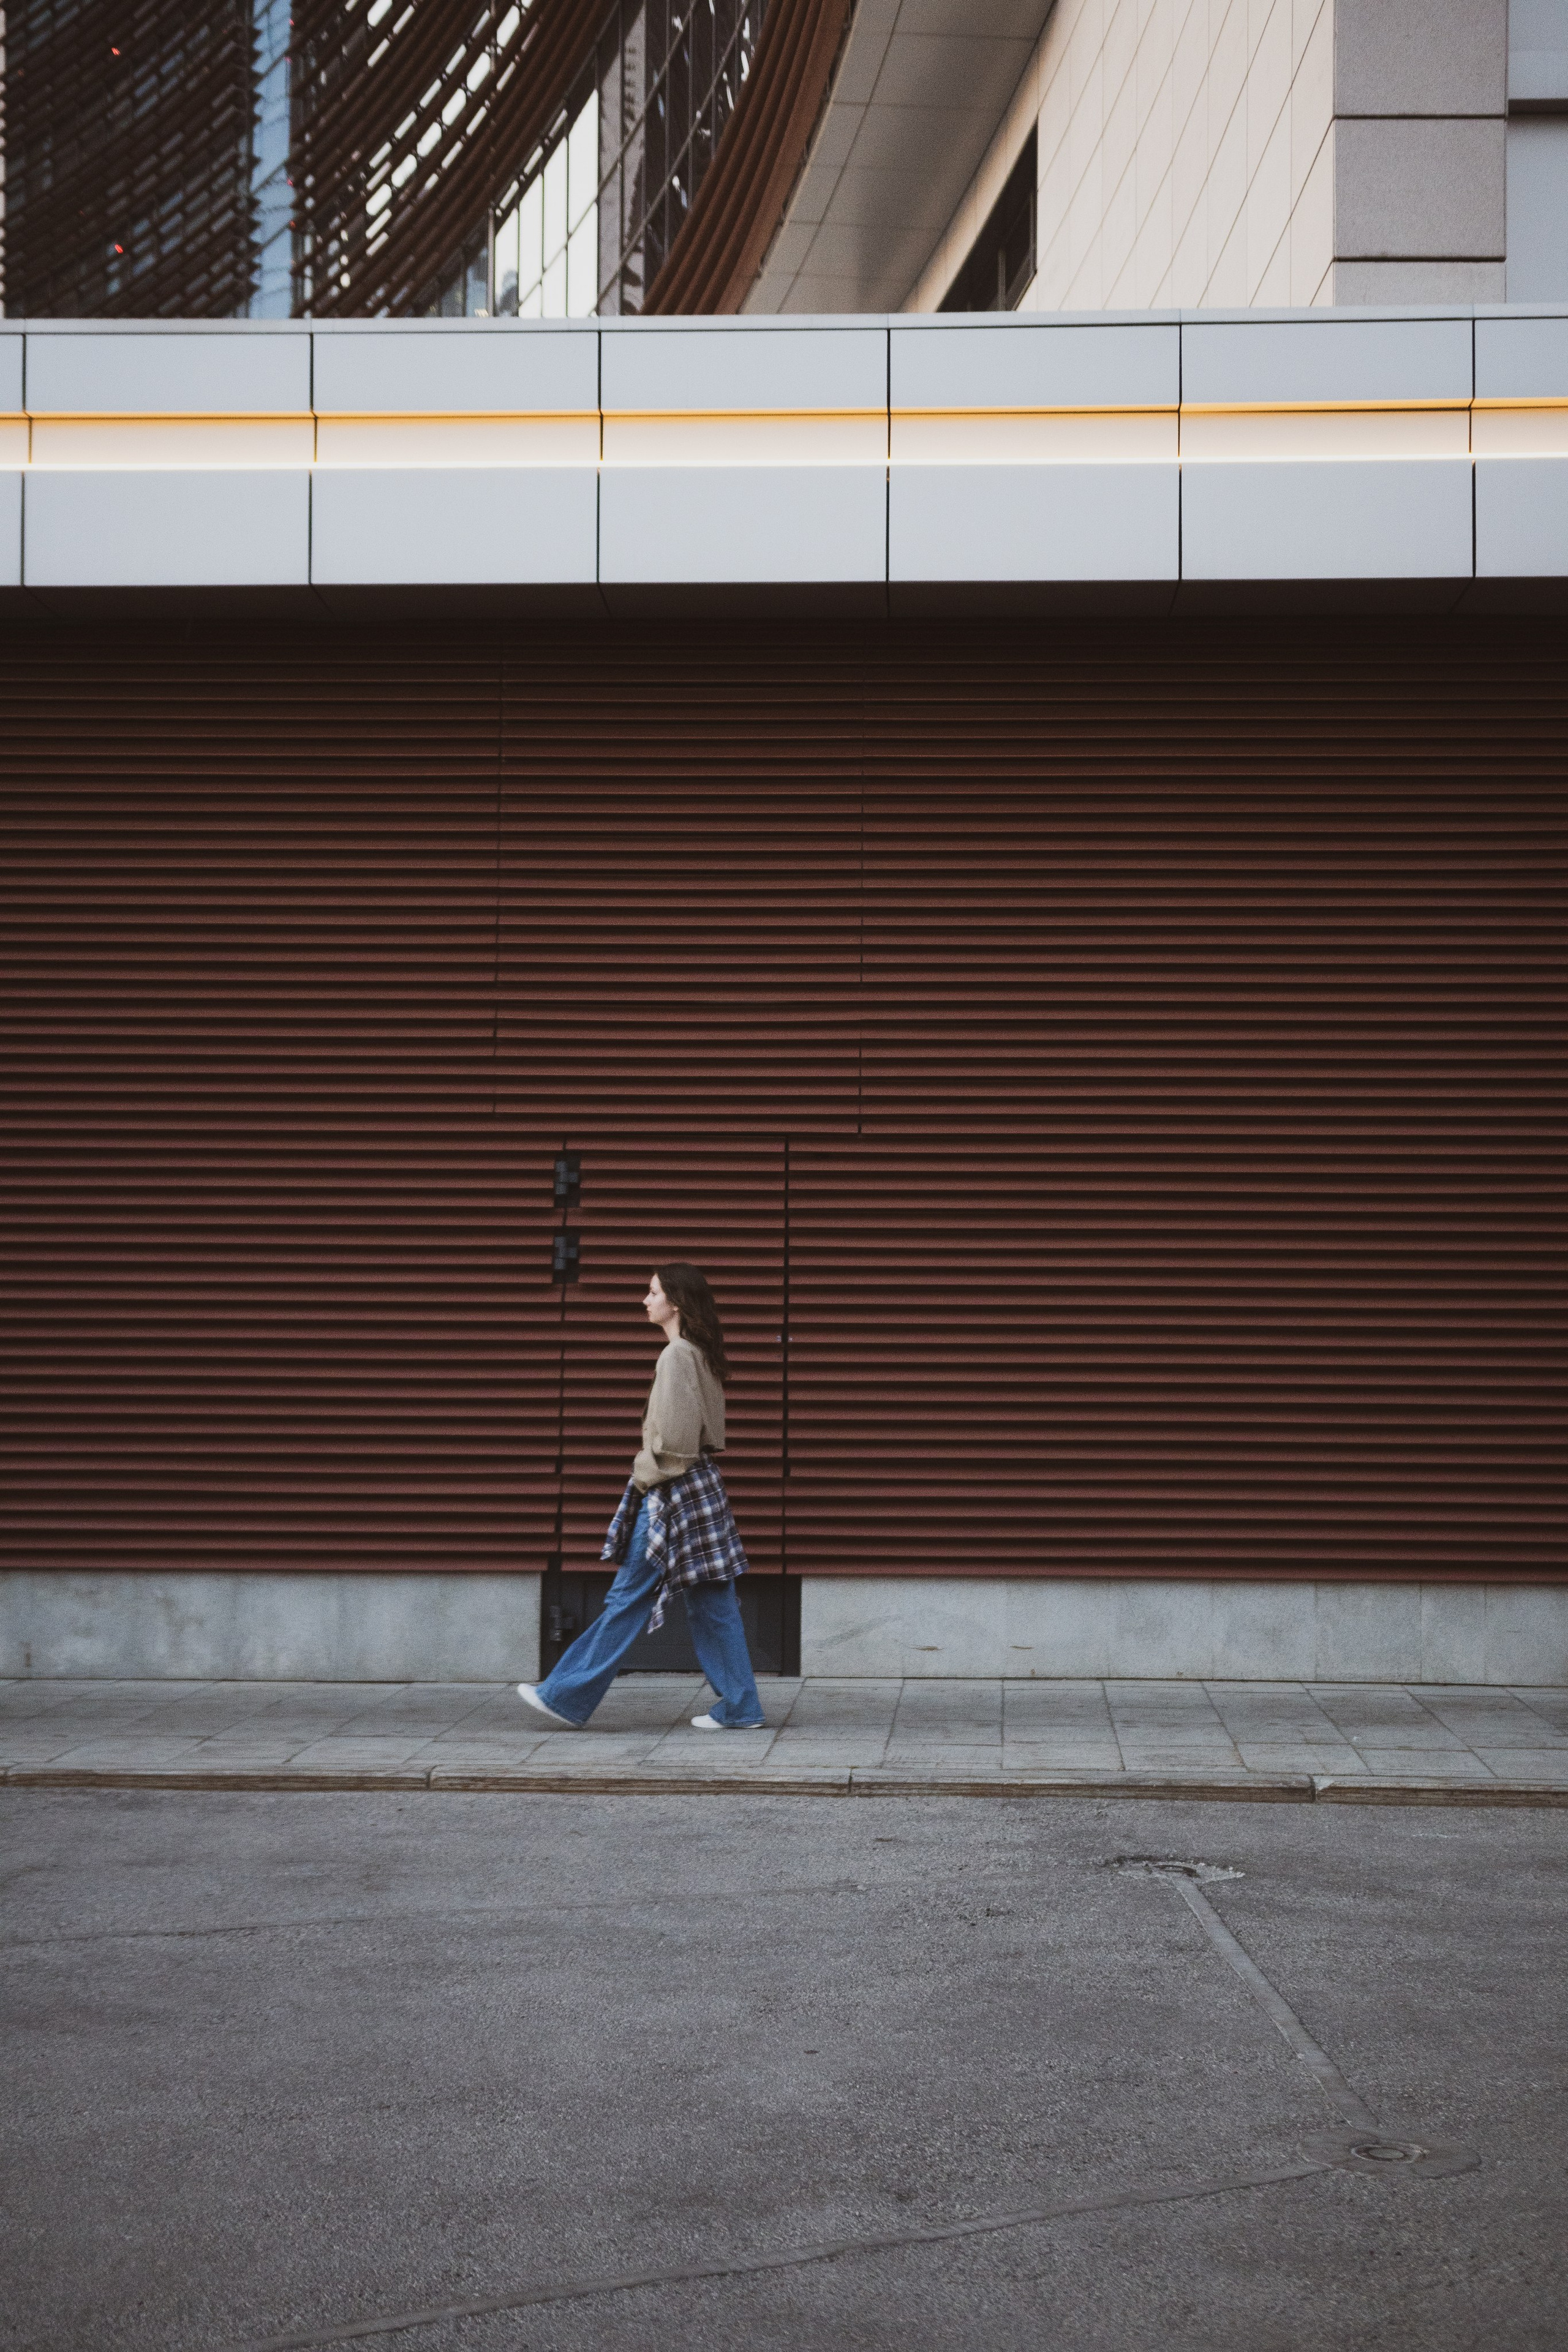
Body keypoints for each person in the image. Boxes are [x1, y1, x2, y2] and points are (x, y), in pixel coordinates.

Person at [516, 1261, 767, 1731]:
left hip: (672, 1495)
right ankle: (741, 1707)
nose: (645, 1300)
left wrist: (642, 1474)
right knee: (715, 1608)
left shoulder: (676, 1356)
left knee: (627, 1598)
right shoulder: (701, 1353)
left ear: (675, 1301)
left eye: (652, 1292)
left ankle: (564, 1695)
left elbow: (673, 1444)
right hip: (702, 1491)